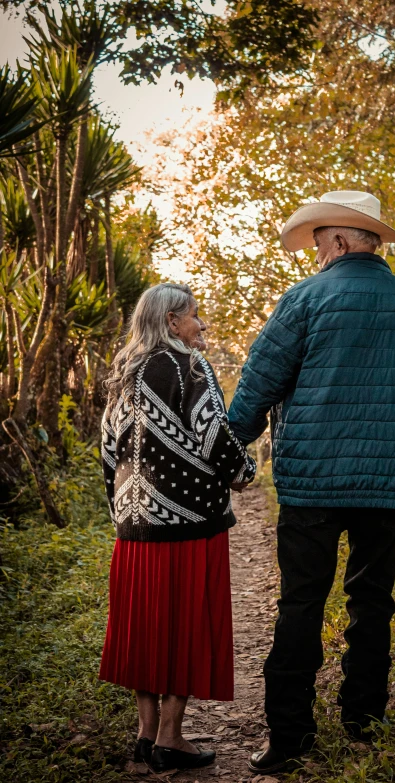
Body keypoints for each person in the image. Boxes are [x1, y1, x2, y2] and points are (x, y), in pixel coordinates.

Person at [228, 191, 395, 775]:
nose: (315, 256)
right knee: (372, 602)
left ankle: (288, 740)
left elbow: (258, 385)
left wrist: (229, 449)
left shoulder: (303, 300)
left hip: (313, 483)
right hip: (390, 486)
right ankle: (364, 719)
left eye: (316, 244)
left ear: (337, 241)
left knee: (301, 603)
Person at [99, 283, 256, 774]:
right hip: (189, 524)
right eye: (194, 316)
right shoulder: (189, 366)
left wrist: (122, 509)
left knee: (145, 626)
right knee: (187, 623)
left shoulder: (123, 371)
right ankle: (171, 737)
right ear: (171, 322)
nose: (201, 325)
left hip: (135, 526)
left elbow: (106, 449)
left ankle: (145, 735)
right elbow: (213, 433)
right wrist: (245, 472)